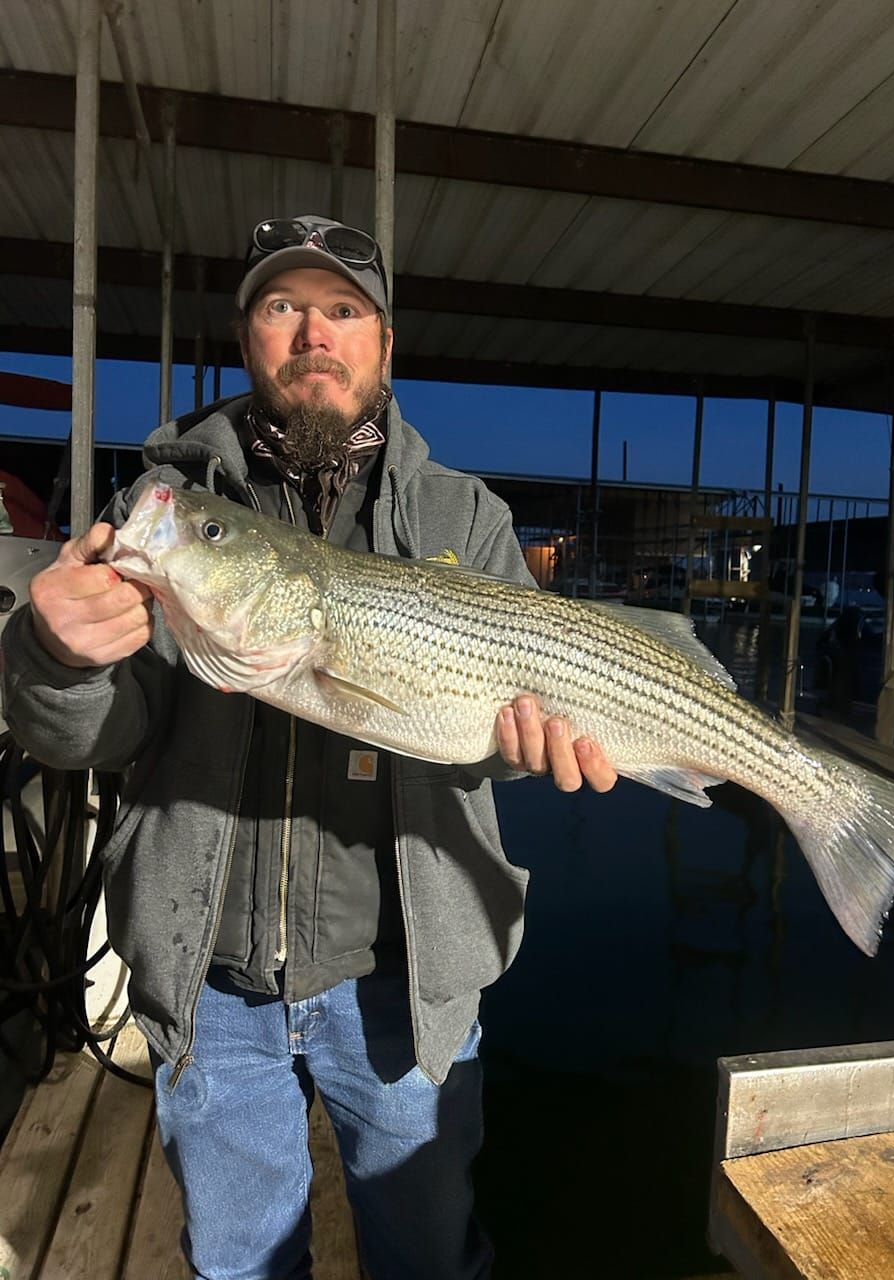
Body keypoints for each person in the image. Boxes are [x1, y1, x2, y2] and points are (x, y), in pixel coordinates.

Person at [0, 215, 617, 1280]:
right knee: (239, 1266)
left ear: (383, 341)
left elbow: (499, 737)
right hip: (214, 981)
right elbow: (98, 730)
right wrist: (53, 655)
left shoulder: (465, 515)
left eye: (342, 310)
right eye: (282, 307)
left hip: (402, 982)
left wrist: (530, 748)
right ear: (247, 337)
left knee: (428, 1260)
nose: (313, 334)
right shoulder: (168, 502)